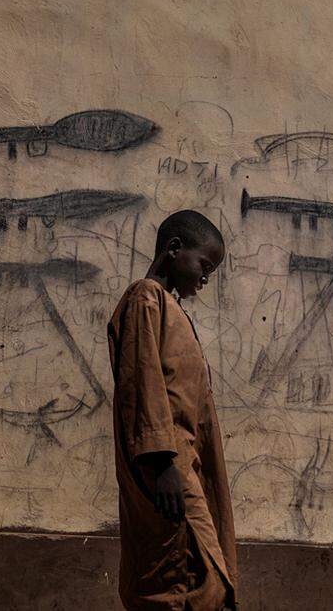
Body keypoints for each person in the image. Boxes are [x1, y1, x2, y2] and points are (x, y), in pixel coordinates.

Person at [106, 210, 237, 610]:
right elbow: (142, 381)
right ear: (174, 249)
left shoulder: (170, 307)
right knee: (185, 580)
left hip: (186, 466)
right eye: (204, 264)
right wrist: (162, 464)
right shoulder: (146, 298)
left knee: (205, 575)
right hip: (166, 468)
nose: (205, 277)